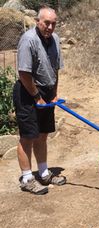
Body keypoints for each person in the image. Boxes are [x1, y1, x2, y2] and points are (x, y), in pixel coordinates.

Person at [13, 6, 66, 195]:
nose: (50, 27)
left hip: (46, 91)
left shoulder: (56, 40)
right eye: (46, 23)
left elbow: (55, 69)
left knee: (43, 135)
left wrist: (54, 93)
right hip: (28, 91)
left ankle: (44, 173)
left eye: (53, 24)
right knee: (28, 136)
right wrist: (37, 97)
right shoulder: (28, 40)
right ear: (38, 22)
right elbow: (24, 73)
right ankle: (27, 178)